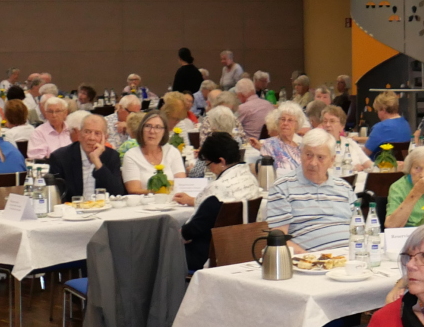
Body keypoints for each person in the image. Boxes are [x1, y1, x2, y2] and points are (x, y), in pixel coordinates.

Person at [260, 130, 356, 251]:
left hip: (350, 259)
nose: (313, 163)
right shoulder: (282, 187)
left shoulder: (344, 187)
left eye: (320, 157)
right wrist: (310, 260)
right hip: (309, 261)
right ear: (300, 154)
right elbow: (279, 240)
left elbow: (358, 229)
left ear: (332, 160)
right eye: (308, 155)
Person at [176, 133, 256, 273]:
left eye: (208, 163)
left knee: (162, 248)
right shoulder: (251, 179)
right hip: (243, 249)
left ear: (221, 161)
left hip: (211, 255)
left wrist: (178, 234)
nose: (209, 168)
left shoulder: (217, 191)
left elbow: (192, 230)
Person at [45, 114, 125, 203]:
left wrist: (97, 162)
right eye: (87, 132)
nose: (91, 138)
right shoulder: (60, 157)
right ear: (79, 134)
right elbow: (57, 196)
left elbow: (117, 193)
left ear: (105, 138)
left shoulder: (112, 156)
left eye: (97, 133)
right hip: (72, 212)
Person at [120, 111, 186, 194]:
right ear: (141, 129)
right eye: (148, 126)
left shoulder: (172, 152)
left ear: (164, 132)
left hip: (173, 202)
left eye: (158, 127)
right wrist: (160, 192)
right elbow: (133, 190)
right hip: (144, 204)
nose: (152, 131)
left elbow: (182, 184)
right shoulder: (131, 155)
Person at [384, 146, 424, 229]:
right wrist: (416, 192)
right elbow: (391, 225)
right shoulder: (398, 187)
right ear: (409, 168)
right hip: (408, 236)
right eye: (417, 168)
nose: (422, 175)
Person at [315, 104, 371, 173]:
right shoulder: (319, 145)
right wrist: (352, 168)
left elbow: (368, 164)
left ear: (342, 126)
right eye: (325, 121)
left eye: (332, 121)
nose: (327, 125)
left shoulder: (350, 143)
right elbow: (324, 169)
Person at [362, 90, 412, 163]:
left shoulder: (380, 127)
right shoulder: (406, 124)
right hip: (400, 169)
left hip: (380, 169)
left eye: (377, 110)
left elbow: (365, 154)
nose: (377, 114)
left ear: (383, 109)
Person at [259, 102, 307, 176]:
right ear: (278, 122)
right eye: (283, 119)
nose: (285, 123)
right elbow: (267, 173)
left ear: (297, 125)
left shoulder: (302, 147)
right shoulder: (269, 144)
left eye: (290, 120)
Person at [25, 96, 72, 161]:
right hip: (50, 168)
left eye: (58, 111)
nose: (54, 115)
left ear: (65, 113)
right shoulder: (38, 132)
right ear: (46, 113)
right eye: (50, 111)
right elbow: (37, 158)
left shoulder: (72, 130)